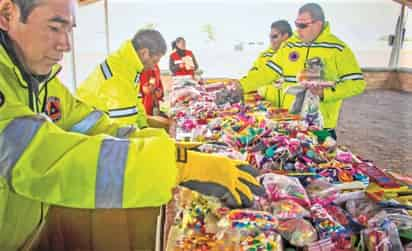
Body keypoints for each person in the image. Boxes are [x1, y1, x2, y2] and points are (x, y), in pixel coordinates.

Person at [0, 1, 263, 250]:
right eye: (55, 27)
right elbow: (46, 159)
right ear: (6, 15)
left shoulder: (42, 82)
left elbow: (100, 128)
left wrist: (177, 148)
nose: (66, 44)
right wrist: (179, 164)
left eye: (69, 30)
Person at [238, 3, 366, 139]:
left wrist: (324, 93)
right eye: (296, 24)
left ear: (318, 24)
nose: (297, 30)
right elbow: (267, 72)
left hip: (321, 127)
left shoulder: (338, 48)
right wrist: (240, 86)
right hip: (290, 122)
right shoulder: (290, 45)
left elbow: (357, 84)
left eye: (303, 26)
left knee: (324, 159)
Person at [76, 29, 162, 129]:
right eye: (154, 61)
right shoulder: (119, 73)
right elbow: (125, 129)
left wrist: (144, 127)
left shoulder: (129, 66)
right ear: (144, 53)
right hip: (87, 131)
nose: (153, 67)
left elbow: (135, 105)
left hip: (101, 128)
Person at [244, 20, 292, 107]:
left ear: (285, 36)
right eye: (270, 37)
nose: (271, 40)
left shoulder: (296, 55)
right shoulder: (263, 56)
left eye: (274, 37)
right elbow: (252, 76)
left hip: (290, 109)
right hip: (268, 108)